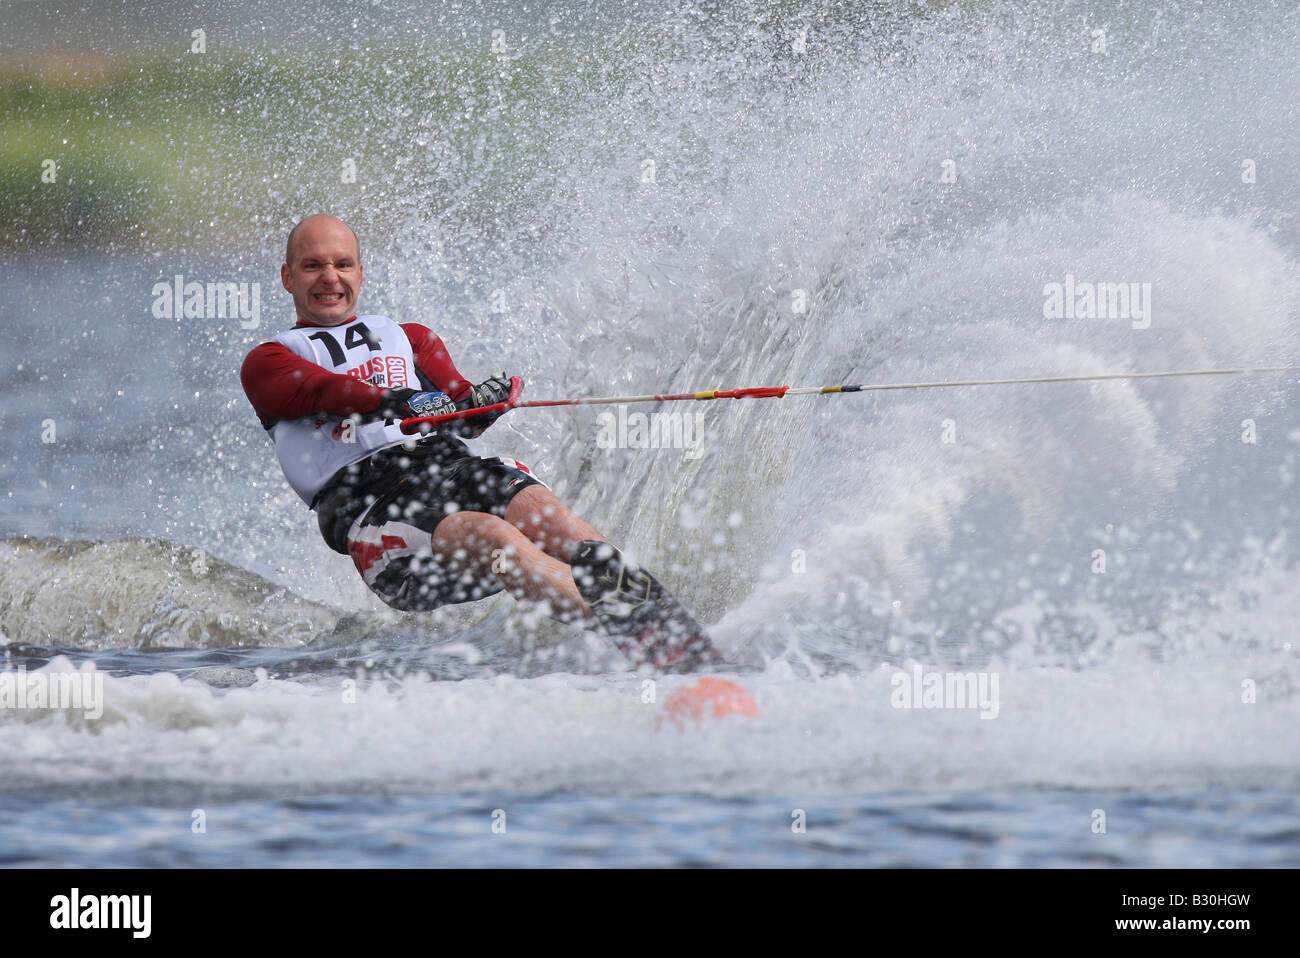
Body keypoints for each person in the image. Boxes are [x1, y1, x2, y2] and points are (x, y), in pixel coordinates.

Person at [240, 214, 722, 672]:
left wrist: (483, 402)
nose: (330, 278)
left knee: (550, 518)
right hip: (375, 513)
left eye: (342, 264)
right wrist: (401, 402)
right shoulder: (269, 361)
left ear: (361, 272)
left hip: (445, 467)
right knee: (496, 537)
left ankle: (677, 631)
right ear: (287, 277)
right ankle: (650, 642)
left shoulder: (411, 339)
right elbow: (325, 392)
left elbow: (461, 413)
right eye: (313, 266)